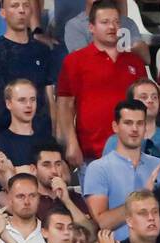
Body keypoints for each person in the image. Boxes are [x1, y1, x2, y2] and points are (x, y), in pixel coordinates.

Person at [56, 0, 149, 168]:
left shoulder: (135, 63)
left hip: (132, 152)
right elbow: (65, 104)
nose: (112, 27)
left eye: (115, 22)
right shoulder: (75, 61)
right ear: (91, 27)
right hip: (91, 152)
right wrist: (71, 142)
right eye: (105, 22)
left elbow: (144, 105)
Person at [0, 0, 60, 144]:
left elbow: (50, 99)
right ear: (3, 13)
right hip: (4, 137)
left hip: (41, 137)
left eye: (26, 5)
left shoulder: (43, 51)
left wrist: (54, 138)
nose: (21, 10)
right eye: (14, 6)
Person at [83, 101, 160, 241]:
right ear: (115, 126)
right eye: (128, 123)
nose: (135, 129)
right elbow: (103, 222)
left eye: (140, 123)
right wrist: (142, 197)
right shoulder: (98, 168)